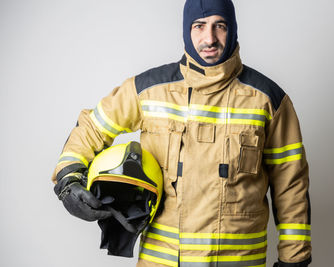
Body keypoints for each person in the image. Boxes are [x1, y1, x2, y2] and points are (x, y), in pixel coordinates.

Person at [52, 0, 312, 266]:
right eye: (199, 26)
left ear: (232, 28)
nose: (209, 38)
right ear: (187, 30)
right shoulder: (149, 90)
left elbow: (290, 186)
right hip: (163, 260)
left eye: (219, 26)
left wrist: (294, 259)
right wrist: (68, 181)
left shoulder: (268, 100)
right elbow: (91, 128)